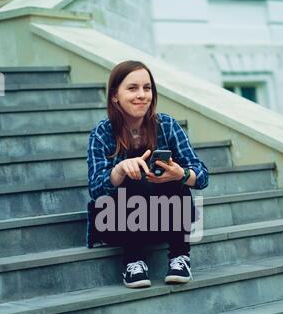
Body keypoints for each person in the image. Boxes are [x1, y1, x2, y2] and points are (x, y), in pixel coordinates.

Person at [87, 60, 208, 288]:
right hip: (117, 222)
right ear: (115, 96)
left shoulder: (167, 126)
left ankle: (180, 258)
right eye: (132, 88)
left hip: (162, 218)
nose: (141, 95)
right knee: (132, 178)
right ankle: (133, 262)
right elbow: (95, 189)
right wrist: (120, 169)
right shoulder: (102, 133)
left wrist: (180, 174)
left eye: (147, 88)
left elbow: (202, 175)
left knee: (177, 180)